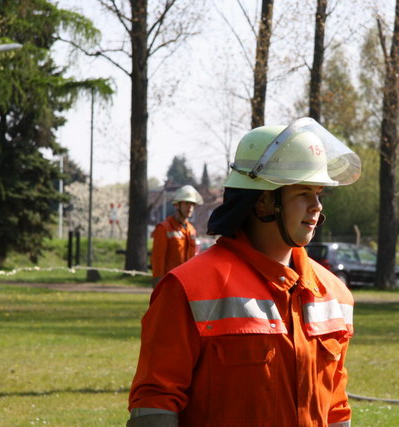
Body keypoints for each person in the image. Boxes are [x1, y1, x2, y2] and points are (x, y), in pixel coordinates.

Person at [128, 118, 362, 427]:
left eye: (319, 193)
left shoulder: (335, 294)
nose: (316, 206)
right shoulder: (186, 289)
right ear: (263, 201)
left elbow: (336, 408)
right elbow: (156, 404)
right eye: (303, 193)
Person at [150, 185, 203, 284]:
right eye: (186, 203)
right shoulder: (164, 228)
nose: (190, 207)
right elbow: (158, 260)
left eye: (192, 204)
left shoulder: (191, 230)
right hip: (170, 282)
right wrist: (158, 284)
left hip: (187, 282)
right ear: (177, 205)